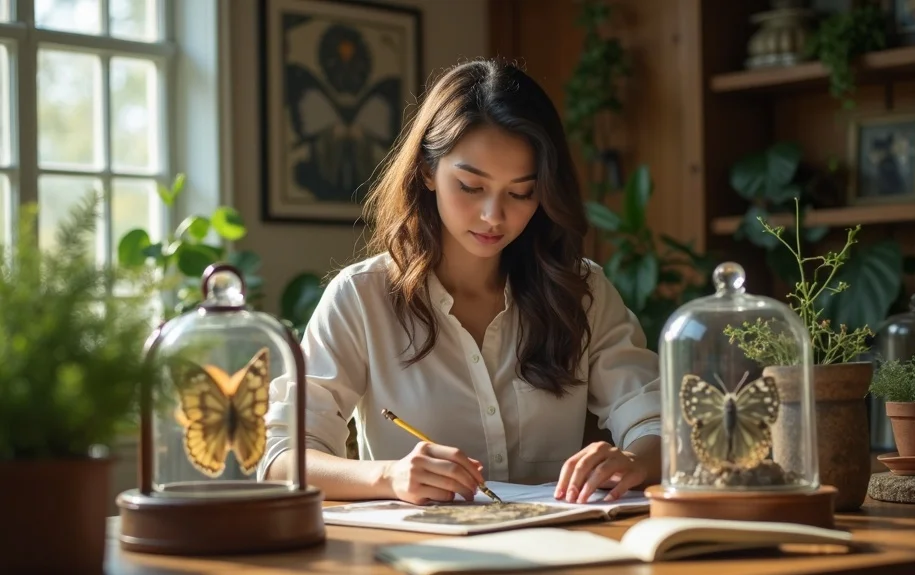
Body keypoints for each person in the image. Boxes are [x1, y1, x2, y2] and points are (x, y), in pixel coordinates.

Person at [259, 58, 661, 506]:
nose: (494, 216)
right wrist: (389, 477)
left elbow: (654, 421)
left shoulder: (580, 290)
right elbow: (283, 458)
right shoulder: (362, 297)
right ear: (428, 171)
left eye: (521, 192)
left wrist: (635, 461)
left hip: (555, 553)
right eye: (471, 186)